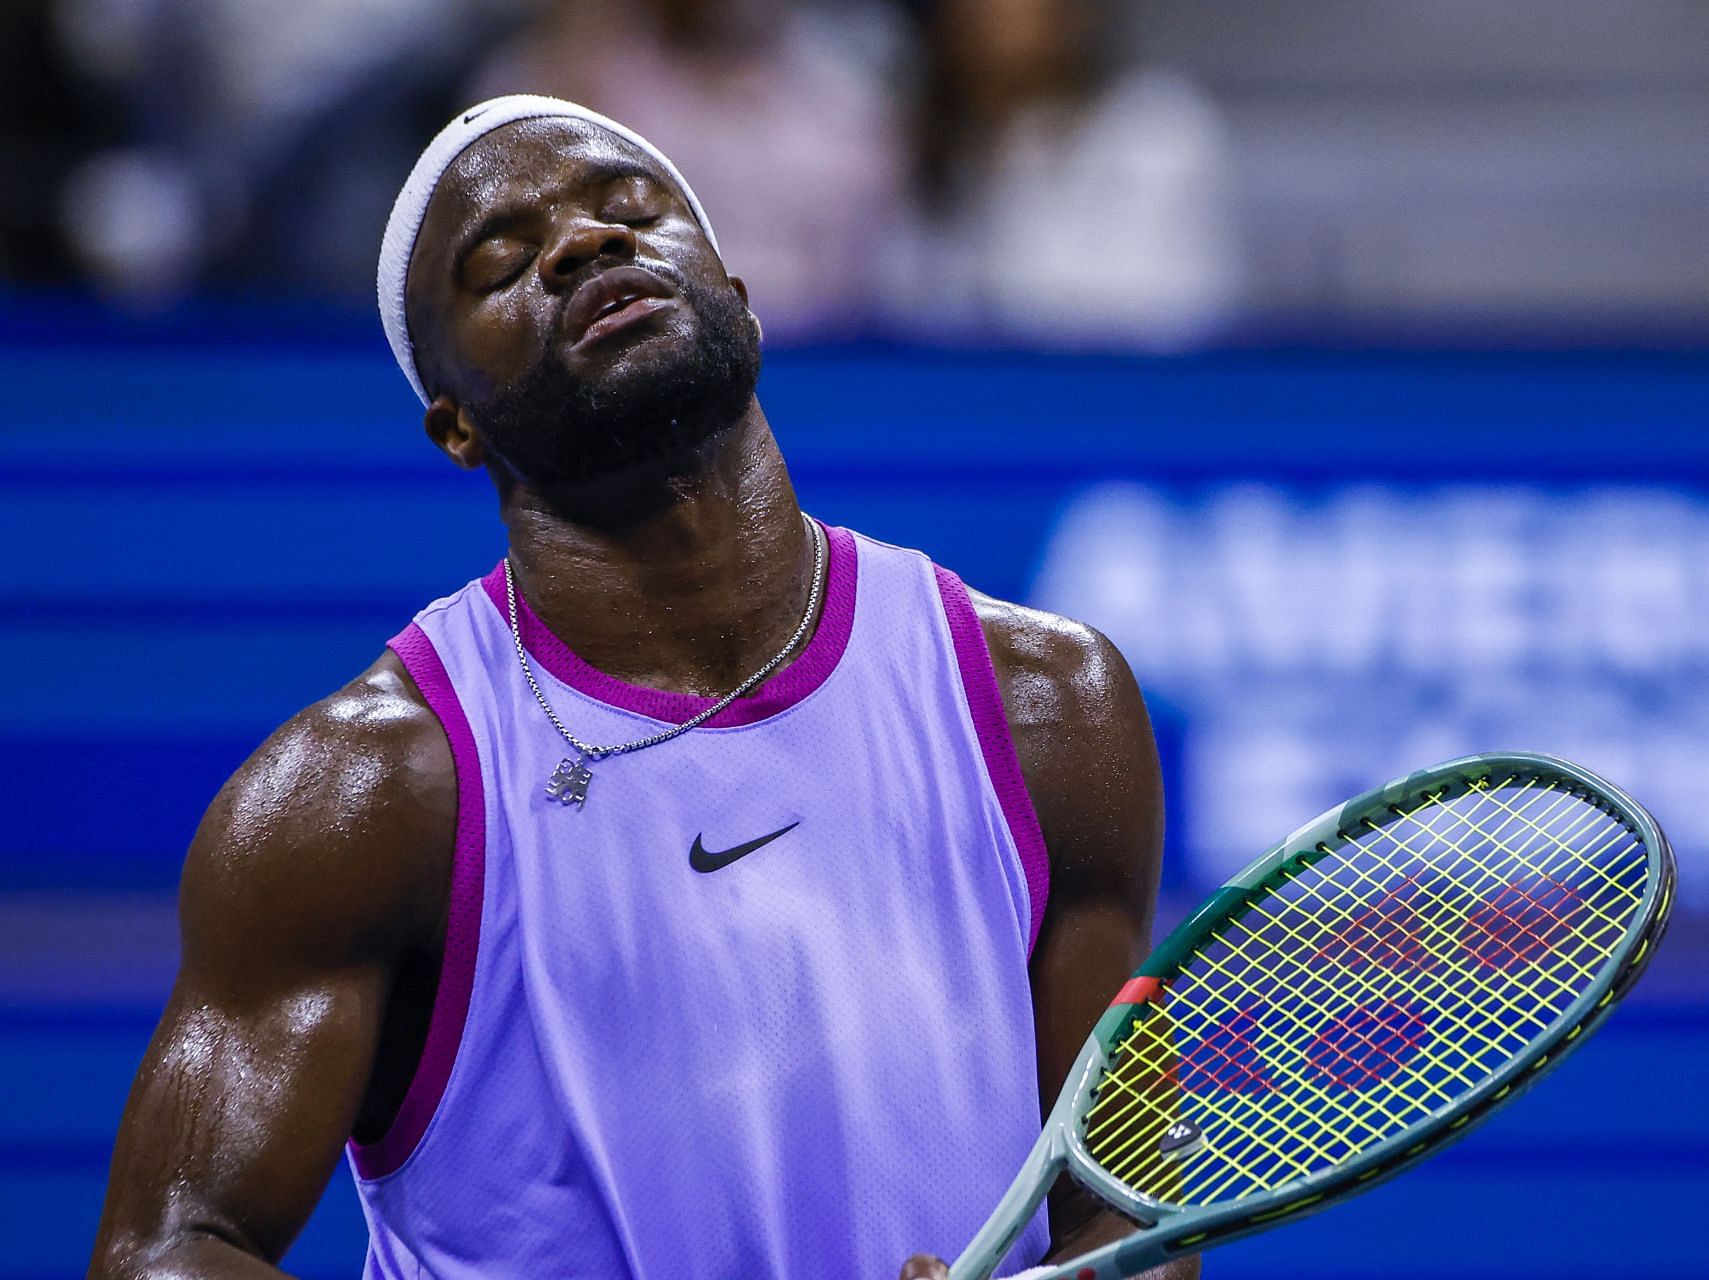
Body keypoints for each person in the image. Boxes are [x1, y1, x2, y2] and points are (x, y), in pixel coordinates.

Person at [87, 96, 1189, 1280]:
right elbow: (171, 1249)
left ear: (739, 295)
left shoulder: (1047, 708)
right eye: (502, 262)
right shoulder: (365, 798)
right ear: (453, 425)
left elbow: (1123, 1218)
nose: (584, 243)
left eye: (631, 212)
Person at [473, 0, 905, 339]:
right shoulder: (573, 80)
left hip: (827, 364)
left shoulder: (846, 102)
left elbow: (867, 281)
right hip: (640, 340)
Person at [885, 0, 1243, 349]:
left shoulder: (1160, 127)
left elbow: (1169, 317)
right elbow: (901, 312)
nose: (985, 12)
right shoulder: (915, 139)